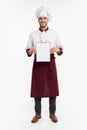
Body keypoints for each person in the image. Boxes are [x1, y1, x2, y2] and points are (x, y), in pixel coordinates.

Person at [26, 6, 63, 123]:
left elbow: (61, 49)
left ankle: (52, 114)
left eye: (45, 18)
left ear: (48, 20)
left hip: (50, 65)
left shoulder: (54, 34)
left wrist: (55, 49)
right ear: (38, 20)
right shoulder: (32, 34)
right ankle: (38, 114)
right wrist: (31, 50)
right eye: (41, 18)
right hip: (37, 65)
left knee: (52, 90)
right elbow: (27, 51)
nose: (43, 20)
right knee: (37, 89)